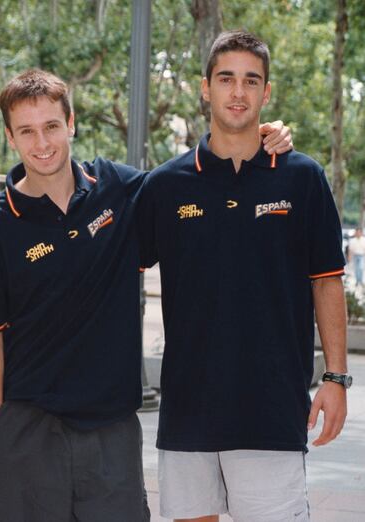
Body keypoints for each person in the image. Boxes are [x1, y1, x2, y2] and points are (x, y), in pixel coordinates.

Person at [0, 68, 291, 522]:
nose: (42, 142)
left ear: (72, 122)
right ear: (10, 136)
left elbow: (191, 180)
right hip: (28, 427)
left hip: (111, 430)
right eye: (27, 131)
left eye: (52, 126)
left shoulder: (117, 190)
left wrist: (257, 136)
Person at [138, 31, 350, 522]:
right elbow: (112, 265)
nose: (238, 92)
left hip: (272, 412)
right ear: (204, 87)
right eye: (226, 78)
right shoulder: (165, 185)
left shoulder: (302, 177)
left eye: (251, 81)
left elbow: (327, 280)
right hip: (188, 411)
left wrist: (335, 378)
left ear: (266, 93)